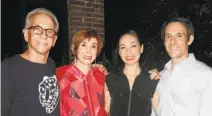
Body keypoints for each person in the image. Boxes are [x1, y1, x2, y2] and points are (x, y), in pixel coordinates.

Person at [2, 8, 60, 116]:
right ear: (26, 34)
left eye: (49, 31)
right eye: (37, 29)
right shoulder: (7, 70)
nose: (44, 35)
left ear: (54, 40)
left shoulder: (51, 64)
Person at [151, 17, 212, 116]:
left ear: (190, 39)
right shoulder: (161, 76)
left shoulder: (206, 75)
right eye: (168, 36)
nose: (172, 42)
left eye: (179, 36)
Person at [105, 30, 159, 116]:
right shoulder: (110, 79)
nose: (128, 52)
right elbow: (104, 111)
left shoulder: (152, 80)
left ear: (141, 48)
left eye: (133, 46)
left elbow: (161, 112)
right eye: (123, 47)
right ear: (119, 52)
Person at [56, 29, 106, 116]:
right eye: (83, 45)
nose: (88, 51)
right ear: (76, 47)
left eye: (93, 46)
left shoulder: (101, 77)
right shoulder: (60, 75)